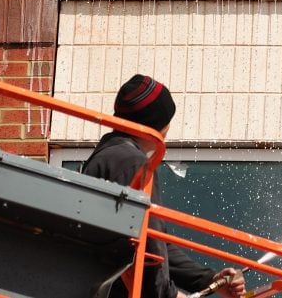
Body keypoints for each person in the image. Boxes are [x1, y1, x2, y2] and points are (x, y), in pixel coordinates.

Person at [84, 74, 246, 298]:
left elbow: (154, 241)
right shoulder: (132, 163)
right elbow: (148, 246)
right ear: (157, 125)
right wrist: (167, 295)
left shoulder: (111, 155)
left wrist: (209, 279)